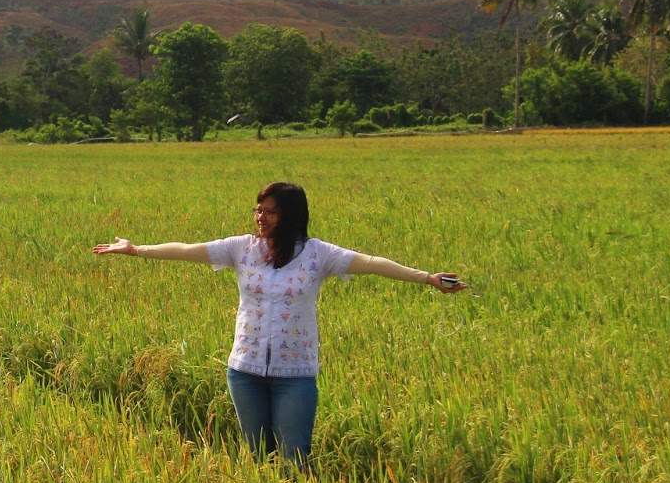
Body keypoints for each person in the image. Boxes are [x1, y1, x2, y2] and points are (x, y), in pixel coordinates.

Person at [92, 181, 462, 465]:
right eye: (258, 209)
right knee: (256, 458)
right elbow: (188, 250)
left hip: (294, 374)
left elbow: (372, 263)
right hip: (244, 369)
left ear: (291, 215)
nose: (260, 217)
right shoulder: (243, 248)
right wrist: (136, 249)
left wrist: (427, 278)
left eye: (270, 211)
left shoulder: (319, 255)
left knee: (294, 459)